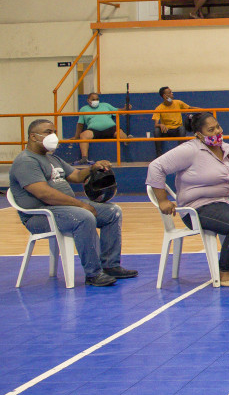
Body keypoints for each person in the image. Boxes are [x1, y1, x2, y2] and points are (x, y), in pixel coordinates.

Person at [147, 112, 229, 287]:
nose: (217, 132)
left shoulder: (228, 149)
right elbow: (156, 167)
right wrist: (162, 200)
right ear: (199, 134)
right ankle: (223, 271)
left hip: (227, 204)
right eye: (211, 130)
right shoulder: (189, 150)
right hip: (198, 208)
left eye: (218, 127)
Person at [9, 119, 136, 287]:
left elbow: (75, 176)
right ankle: (94, 273)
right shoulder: (26, 161)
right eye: (48, 132)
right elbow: (44, 194)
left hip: (64, 210)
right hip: (41, 216)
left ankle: (110, 265)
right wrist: (81, 205)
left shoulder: (52, 158)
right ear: (33, 136)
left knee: (113, 212)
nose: (54, 136)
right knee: (84, 216)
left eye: (55, 132)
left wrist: (93, 168)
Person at [73, 91, 129, 165]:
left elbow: (118, 111)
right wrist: (76, 136)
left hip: (111, 129)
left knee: (120, 133)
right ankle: (84, 158)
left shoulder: (106, 105)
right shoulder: (83, 109)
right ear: (88, 100)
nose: (95, 101)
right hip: (94, 131)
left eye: (97, 99)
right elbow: (80, 124)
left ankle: (127, 140)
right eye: (93, 99)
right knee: (83, 135)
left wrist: (125, 108)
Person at [151, 86, 191, 157]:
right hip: (166, 130)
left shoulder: (178, 103)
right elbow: (156, 124)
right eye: (170, 93)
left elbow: (190, 108)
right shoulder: (159, 108)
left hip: (177, 130)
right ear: (164, 96)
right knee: (156, 131)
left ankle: (181, 154)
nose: (172, 93)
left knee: (182, 128)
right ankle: (159, 156)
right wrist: (160, 125)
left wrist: (203, 110)